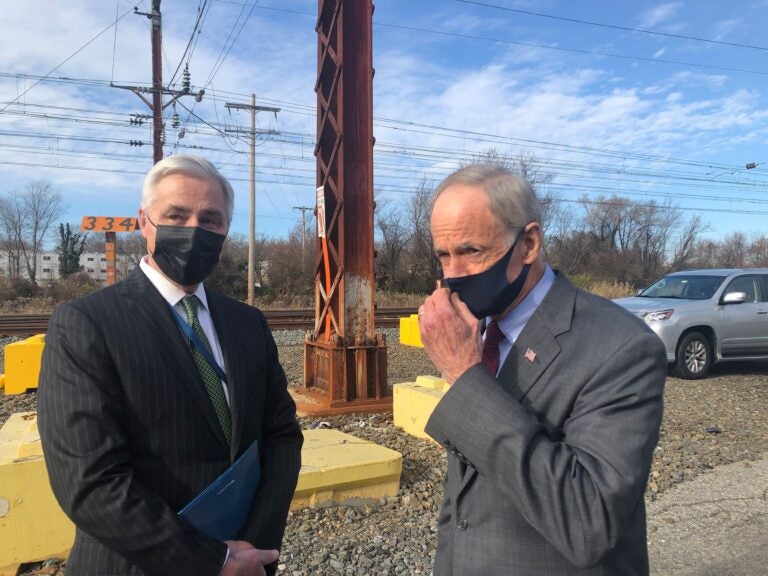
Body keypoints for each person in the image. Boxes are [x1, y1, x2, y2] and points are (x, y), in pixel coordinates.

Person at [38, 155, 303, 576]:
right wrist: (212, 562)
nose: (194, 229)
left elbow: (282, 437)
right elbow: (90, 482)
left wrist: (253, 546)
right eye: (176, 215)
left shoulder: (248, 323)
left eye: (211, 219)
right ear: (145, 222)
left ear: (225, 231)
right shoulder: (86, 325)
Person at [418, 164, 666, 575]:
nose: (452, 275)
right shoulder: (477, 326)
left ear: (528, 243)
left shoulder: (622, 347)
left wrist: (463, 374)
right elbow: (465, 496)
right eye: (444, 255)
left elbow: (588, 520)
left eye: (471, 251)